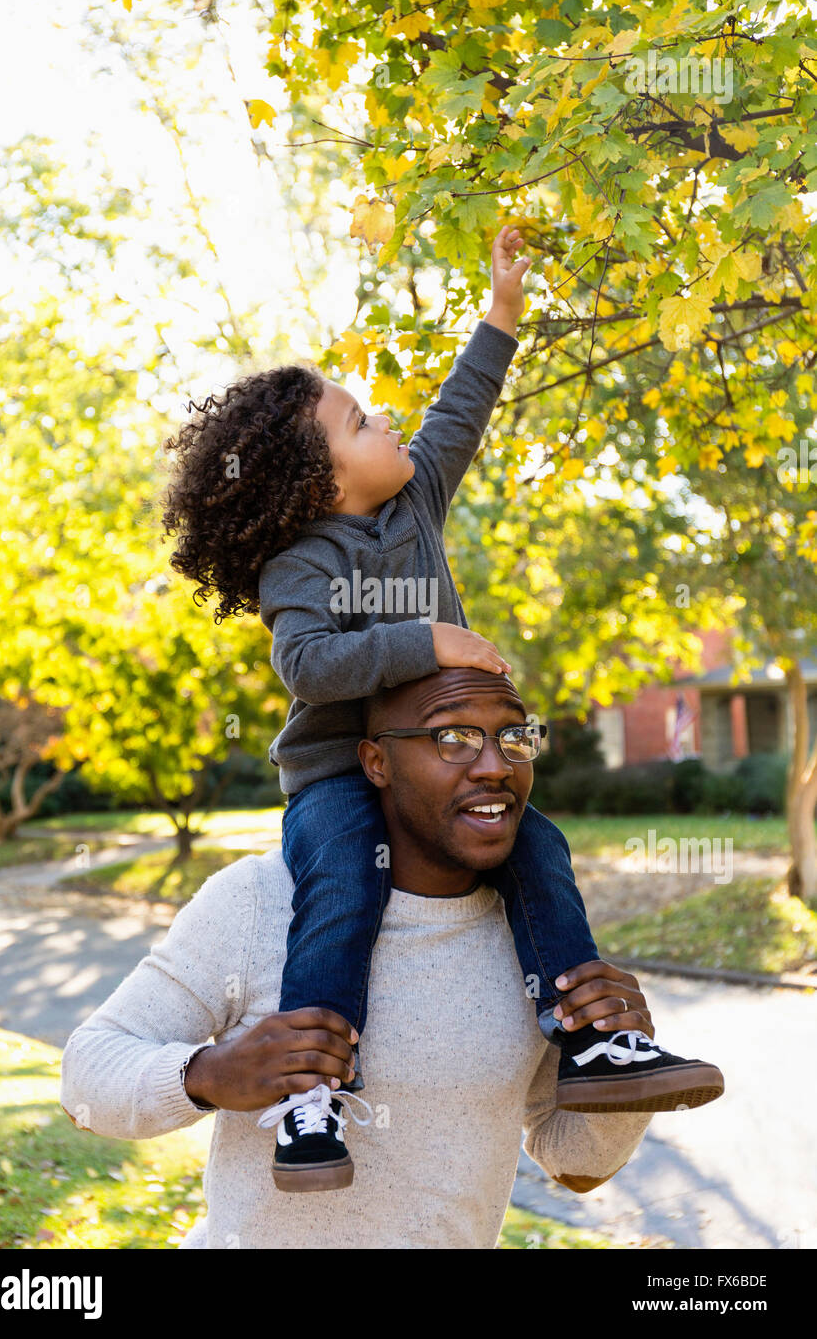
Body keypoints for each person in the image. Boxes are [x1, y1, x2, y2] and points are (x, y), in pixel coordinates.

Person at [159, 226, 723, 1192]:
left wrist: (502, 311)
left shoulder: (414, 503)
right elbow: (308, 664)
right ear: (319, 482)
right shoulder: (302, 564)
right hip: (341, 771)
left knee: (540, 851)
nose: (386, 422)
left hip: (439, 762)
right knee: (344, 888)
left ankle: (586, 1045)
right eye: (360, 421)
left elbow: (460, 410)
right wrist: (429, 640)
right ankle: (315, 1095)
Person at [61, 666, 723, 1249]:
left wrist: (623, 1064)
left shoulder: (536, 932)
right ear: (376, 763)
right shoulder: (260, 900)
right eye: (452, 737)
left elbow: (574, 1164)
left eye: (513, 735)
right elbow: (87, 1076)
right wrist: (208, 1075)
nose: (494, 764)